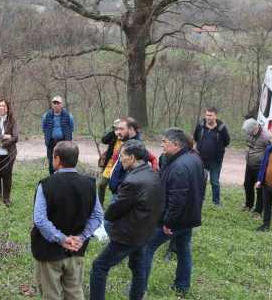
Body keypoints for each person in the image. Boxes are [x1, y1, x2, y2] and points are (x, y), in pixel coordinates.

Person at [90, 140, 163, 300]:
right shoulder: (153, 173)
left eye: (122, 156)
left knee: (99, 266)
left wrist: (107, 216)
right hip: (145, 232)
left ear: (132, 157)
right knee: (138, 267)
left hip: (128, 235)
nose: (119, 160)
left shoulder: (132, 182)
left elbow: (113, 210)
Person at [31, 141, 103, 300]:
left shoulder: (46, 185)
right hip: (76, 249)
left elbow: (40, 219)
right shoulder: (90, 184)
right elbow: (97, 216)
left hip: (48, 252)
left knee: (51, 294)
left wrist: (62, 239)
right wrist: (81, 237)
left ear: (57, 159)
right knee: (75, 292)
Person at [143, 128, 205, 296]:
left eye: (165, 142)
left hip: (174, 221)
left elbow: (177, 199)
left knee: (145, 247)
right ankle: (182, 286)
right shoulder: (194, 158)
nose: (162, 144)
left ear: (176, 144)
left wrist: (168, 223)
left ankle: (138, 289)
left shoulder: (179, 166)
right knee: (184, 249)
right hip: (189, 217)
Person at [193, 107, 230, 206]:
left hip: (215, 161)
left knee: (214, 182)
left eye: (210, 115)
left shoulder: (222, 128)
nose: (208, 117)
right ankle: (200, 199)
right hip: (201, 159)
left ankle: (216, 202)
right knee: (201, 180)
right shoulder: (200, 125)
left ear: (215, 116)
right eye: (207, 115)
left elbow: (227, 142)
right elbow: (195, 137)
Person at [242, 119, 271, 215]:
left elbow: (271, 151)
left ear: (256, 128)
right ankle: (248, 205)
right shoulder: (250, 133)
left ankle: (258, 211)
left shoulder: (266, 137)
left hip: (260, 167)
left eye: (249, 132)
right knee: (247, 185)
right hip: (249, 164)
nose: (248, 134)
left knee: (260, 188)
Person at [41, 95, 74, 175]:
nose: (56, 105)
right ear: (52, 105)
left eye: (58, 103)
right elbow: (43, 128)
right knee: (51, 163)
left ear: (61, 104)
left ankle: (63, 179)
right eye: (54, 103)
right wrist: (48, 138)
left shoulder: (68, 115)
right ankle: (52, 179)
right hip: (51, 142)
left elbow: (72, 127)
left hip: (64, 143)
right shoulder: (46, 115)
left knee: (64, 162)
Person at [97, 119, 120, 206]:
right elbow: (104, 140)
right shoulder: (113, 136)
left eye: (119, 129)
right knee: (102, 184)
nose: (118, 131)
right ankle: (99, 205)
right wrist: (113, 133)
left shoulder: (126, 138)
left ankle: (115, 205)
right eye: (115, 128)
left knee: (116, 187)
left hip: (120, 165)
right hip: (110, 163)